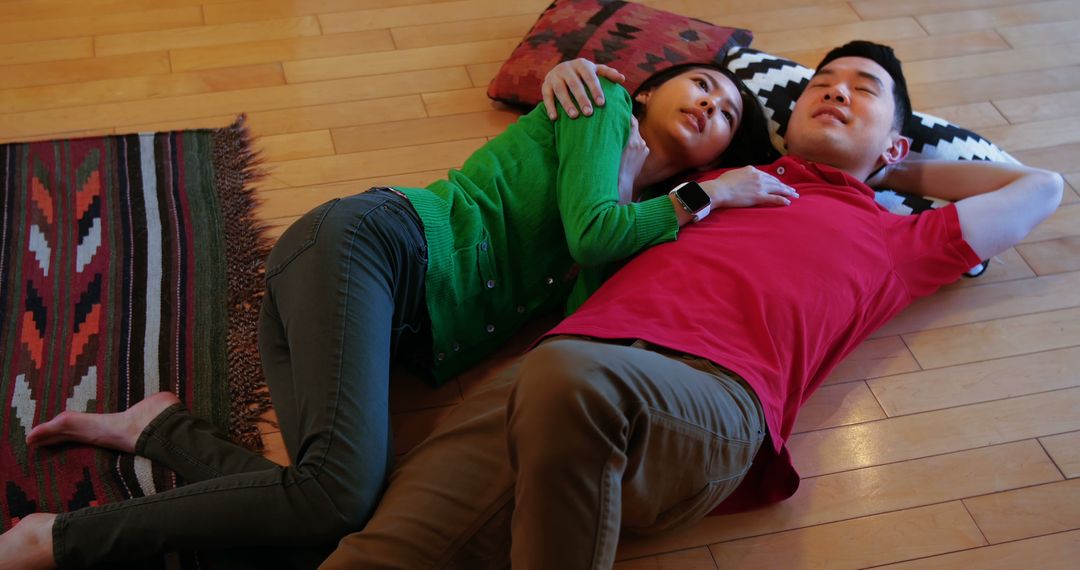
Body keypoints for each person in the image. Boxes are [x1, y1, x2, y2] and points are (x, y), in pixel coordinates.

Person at [0, 60, 787, 569]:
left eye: (725, 110)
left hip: (364, 299)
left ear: (721, 147)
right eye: (703, 84)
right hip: (372, 248)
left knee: (340, 508)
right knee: (337, 501)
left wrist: (643, 208)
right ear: (651, 89)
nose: (712, 99)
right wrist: (703, 197)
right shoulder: (603, 104)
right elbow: (589, 231)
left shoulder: (648, 215)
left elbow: (584, 307)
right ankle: (58, 541)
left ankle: (160, 430)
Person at [313, 41, 1065, 569]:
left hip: (706, 397)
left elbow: (1042, 189)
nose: (833, 89)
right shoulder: (711, 183)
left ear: (896, 144)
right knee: (372, 544)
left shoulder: (899, 238)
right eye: (821, 83)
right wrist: (575, 71)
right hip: (548, 375)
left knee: (571, 382)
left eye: (861, 89)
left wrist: (893, 170)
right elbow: (611, 162)